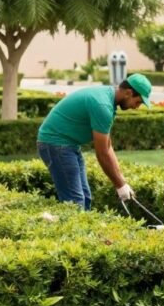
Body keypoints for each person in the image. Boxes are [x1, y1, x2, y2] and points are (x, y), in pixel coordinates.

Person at [36, 74, 152, 209]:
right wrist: (119, 185)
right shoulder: (103, 106)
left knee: (85, 198)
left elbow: (108, 146)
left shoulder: (108, 98)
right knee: (75, 202)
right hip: (55, 144)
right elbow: (102, 153)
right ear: (128, 93)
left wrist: (122, 182)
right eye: (138, 102)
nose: (137, 107)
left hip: (68, 145)